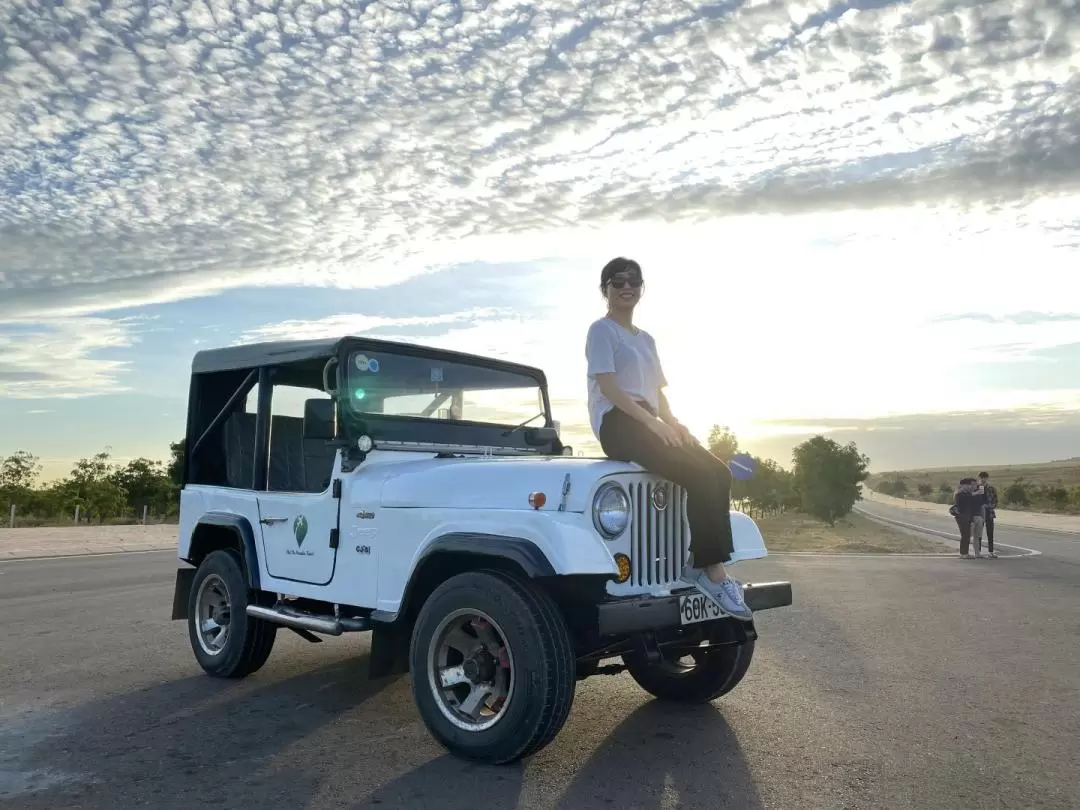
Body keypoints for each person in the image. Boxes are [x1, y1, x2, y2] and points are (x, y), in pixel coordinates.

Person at [584, 257, 752, 620]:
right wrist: (652, 423)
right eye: (617, 281)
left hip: (648, 419)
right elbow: (610, 388)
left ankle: (697, 564)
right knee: (697, 475)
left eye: (634, 280)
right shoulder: (602, 330)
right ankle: (714, 573)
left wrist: (673, 422)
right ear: (605, 290)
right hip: (619, 422)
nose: (626, 286)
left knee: (718, 473)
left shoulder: (646, 339)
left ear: (641, 288)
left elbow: (657, 393)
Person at [950, 477, 979, 558]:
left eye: (970, 485)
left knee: (967, 535)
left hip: (967, 516)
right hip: (961, 516)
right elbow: (965, 498)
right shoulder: (959, 494)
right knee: (965, 534)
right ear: (962, 485)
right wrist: (975, 493)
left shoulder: (966, 493)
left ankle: (964, 553)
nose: (969, 486)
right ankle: (963, 553)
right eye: (967, 485)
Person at [978, 471, 999, 558]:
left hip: (989, 512)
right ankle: (978, 551)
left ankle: (991, 552)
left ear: (987, 478)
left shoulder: (991, 488)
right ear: (980, 478)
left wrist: (990, 506)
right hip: (979, 513)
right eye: (982, 478)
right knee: (979, 533)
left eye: (985, 478)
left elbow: (995, 500)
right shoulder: (977, 487)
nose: (984, 479)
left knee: (990, 533)